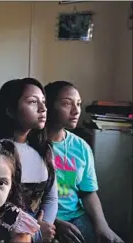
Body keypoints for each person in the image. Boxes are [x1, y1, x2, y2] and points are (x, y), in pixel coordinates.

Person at [44, 81, 124, 243]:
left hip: (77, 216)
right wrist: (53, 222)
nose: (76, 111)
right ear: (48, 105)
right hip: (45, 220)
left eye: (79, 104)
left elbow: (88, 192)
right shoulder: (33, 144)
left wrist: (103, 226)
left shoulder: (81, 147)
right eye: (67, 103)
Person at [0, 78, 58, 243]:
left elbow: (51, 198)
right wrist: (34, 233)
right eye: (33, 102)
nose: (43, 108)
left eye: (44, 102)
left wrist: (45, 226)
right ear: (10, 110)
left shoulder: (45, 149)